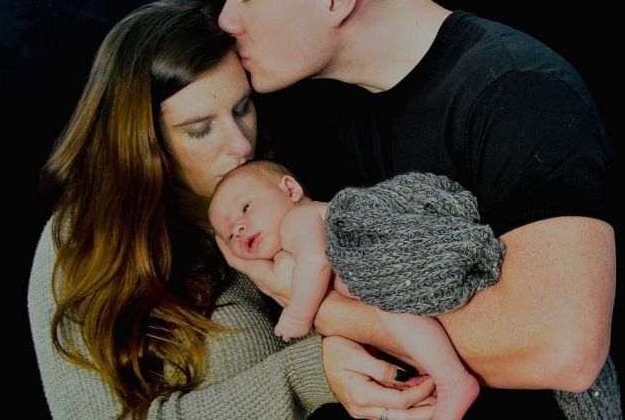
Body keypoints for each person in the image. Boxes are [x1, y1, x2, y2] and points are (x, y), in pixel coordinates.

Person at [217, 0, 621, 418]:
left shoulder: (519, 93)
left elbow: (562, 352)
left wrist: (319, 309)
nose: (226, 18)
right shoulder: (306, 111)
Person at [27, 0, 438, 419]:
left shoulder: (284, 186)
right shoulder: (80, 240)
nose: (241, 145)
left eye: (243, 108)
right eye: (200, 129)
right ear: (141, 142)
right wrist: (307, 375)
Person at [210, 160, 507, 419]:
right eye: (228, 233)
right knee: (392, 315)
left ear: (290, 190)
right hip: (409, 273)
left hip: (403, 261)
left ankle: (453, 380)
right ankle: (435, 365)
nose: (238, 228)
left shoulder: (296, 220)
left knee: (391, 312)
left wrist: (298, 315)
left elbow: (317, 263)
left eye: (245, 208)